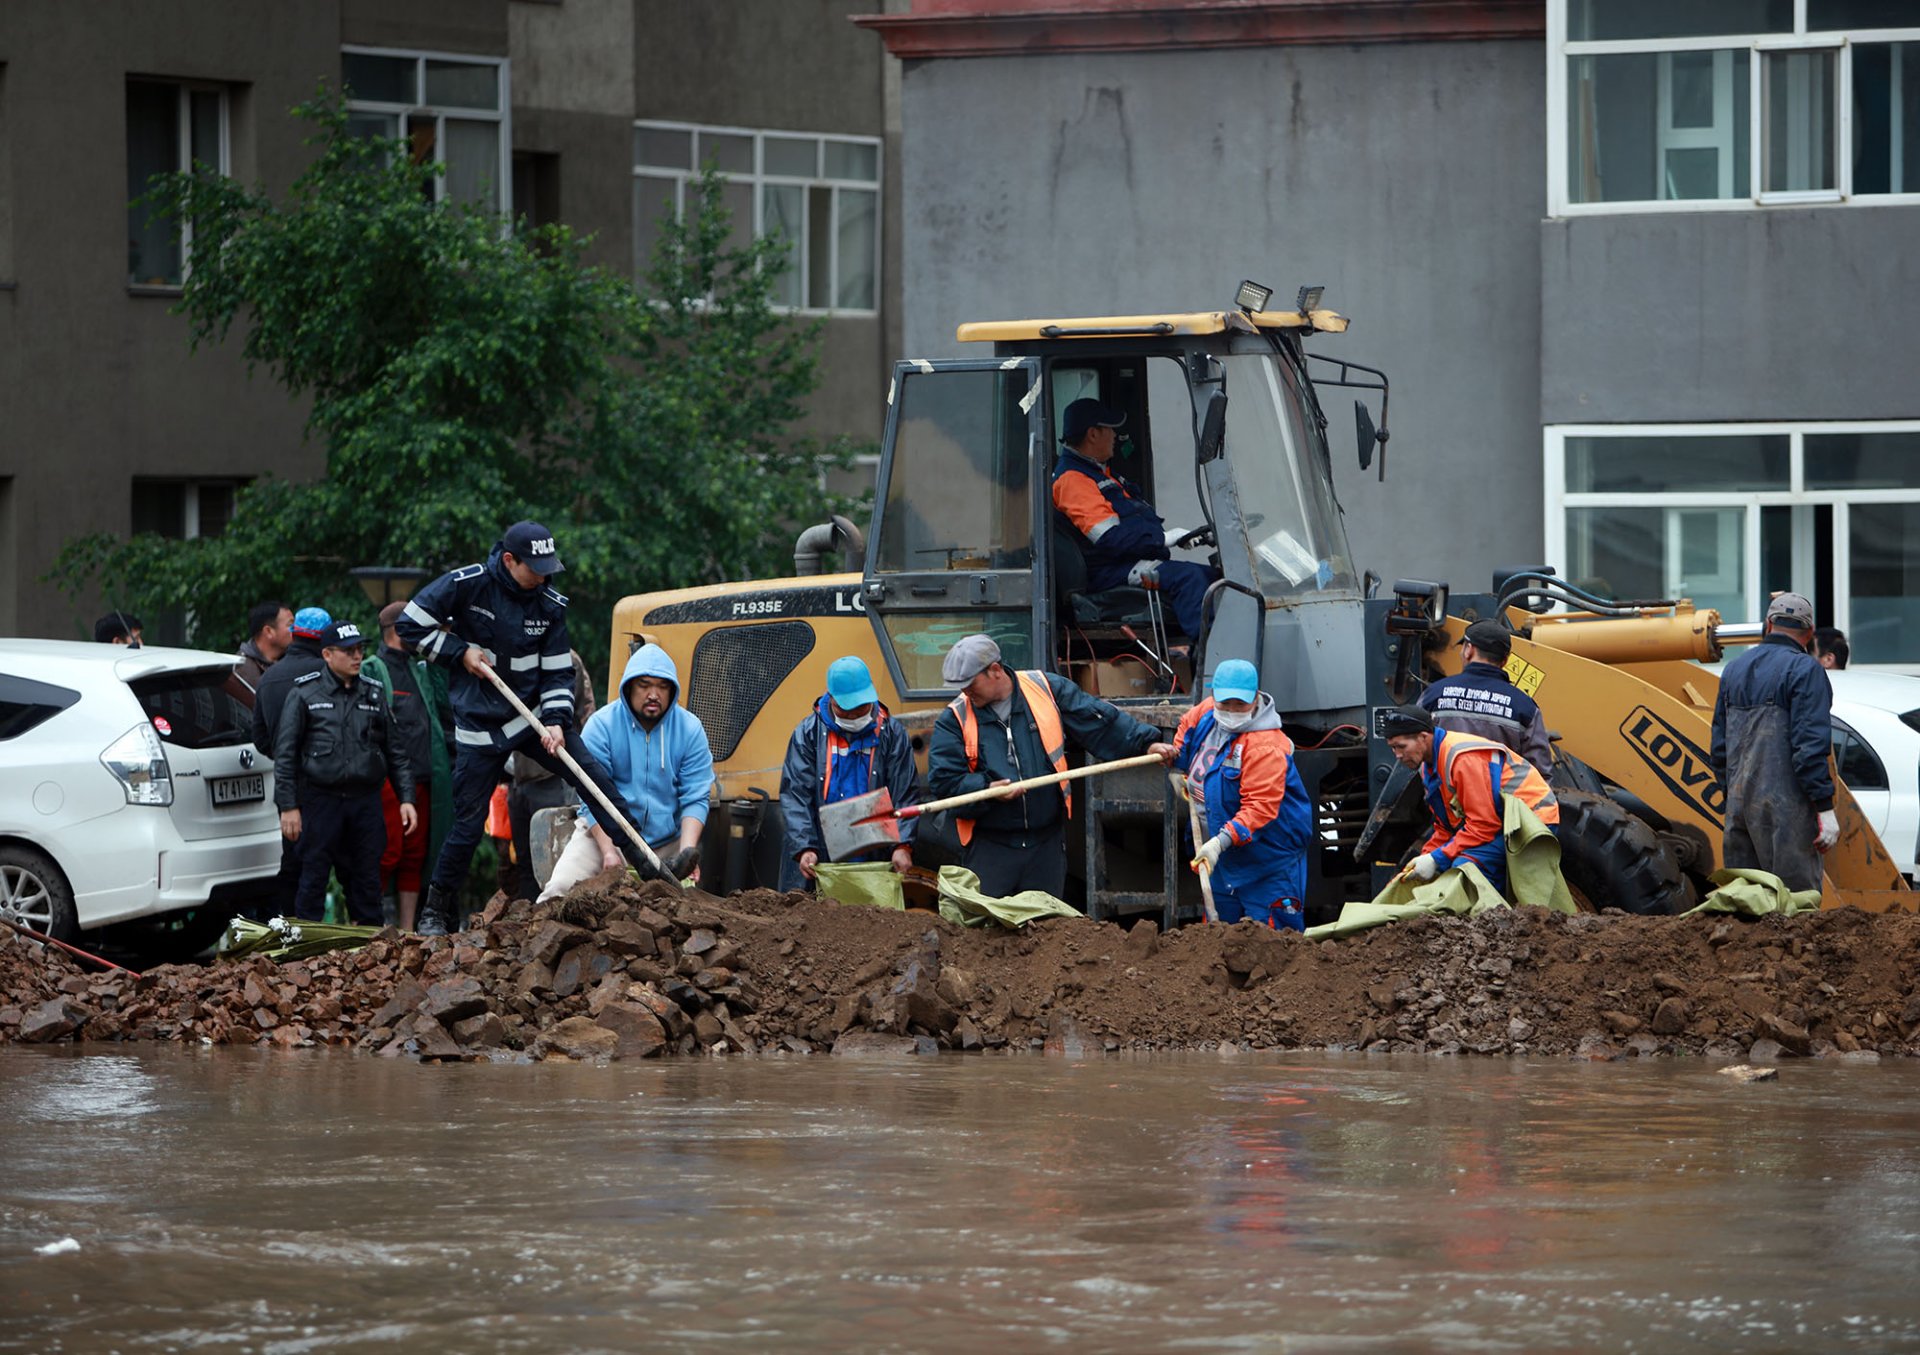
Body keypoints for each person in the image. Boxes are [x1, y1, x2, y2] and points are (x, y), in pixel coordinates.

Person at [397, 521, 664, 934]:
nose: (543, 576)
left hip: (533, 715)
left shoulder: (550, 603)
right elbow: (409, 627)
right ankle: (436, 910)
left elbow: (559, 673)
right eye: (534, 567)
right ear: (509, 560)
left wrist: (557, 722)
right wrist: (458, 651)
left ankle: (648, 865)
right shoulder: (467, 584)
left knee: (596, 779)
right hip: (480, 724)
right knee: (467, 824)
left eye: (547, 567)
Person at [927, 634, 1174, 900]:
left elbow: (1099, 721)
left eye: (969, 684)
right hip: (990, 847)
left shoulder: (1045, 690)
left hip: (1046, 847)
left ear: (995, 671)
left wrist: (1145, 744)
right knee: (984, 935)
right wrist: (986, 790)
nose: (964, 692)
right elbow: (945, 784)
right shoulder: (954, 719)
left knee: (1046, 932)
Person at [536, 643, 714, 901]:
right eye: (644, 685)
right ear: (629, 687)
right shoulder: (601, 725)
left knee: (688, 908)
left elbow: (695, 796)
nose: (653, 694)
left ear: (672, 690)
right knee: (558, 891)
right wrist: (608, 852)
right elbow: (590, 795)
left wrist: (687, 854)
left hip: (668, 841)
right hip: (606, 836)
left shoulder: (690, 729)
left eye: (662, 686)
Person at [272, 621, 417, 924]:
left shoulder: (373, 694)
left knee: (366, 881)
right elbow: (285, 755)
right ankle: (306, 958)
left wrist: (406, 798)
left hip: (365, 802)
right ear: (327, 654)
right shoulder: (305, 694)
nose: (356, 657)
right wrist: (288, 807)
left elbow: (397, 752)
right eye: (348, 651)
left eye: (360, 650)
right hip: (320, 801)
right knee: (312, 879)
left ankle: (371, 957)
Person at [1050, 397, 1219, 640]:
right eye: (1110, 429)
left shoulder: (1098, 472)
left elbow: (1131, 524)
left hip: (1124, 562)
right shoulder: (1073, 480)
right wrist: (1163, 539)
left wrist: (1180, 538)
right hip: (1108, 573)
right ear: (1093, 434)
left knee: (1215, 579)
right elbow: (1110, 538)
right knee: (1190, 580)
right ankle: (1212, 659)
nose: (1116, 436)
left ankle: (1199, 656)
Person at [1171, 659, 1311, 930]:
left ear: (1256, 698)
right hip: (1224, 863)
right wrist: (1177, 762)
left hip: (1267, 864)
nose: (1232, 711)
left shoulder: (1265, 747)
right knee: (1218, 942)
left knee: (1273, 947)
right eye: (1225, 704)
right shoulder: (1206, 715)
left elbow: (1259, 808)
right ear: (1214, 698)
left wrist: (1218, 843)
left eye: (1240, 705)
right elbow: (1185, 734)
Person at [1710, 592, 1835, 893]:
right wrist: (1824, 807)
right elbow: (1809, 746)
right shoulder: (1806, 670)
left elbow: (1719, 749)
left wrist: (1732, 796)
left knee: (1748, 906)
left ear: (1768, 624)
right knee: (1795, 908)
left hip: (1739, 809)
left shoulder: (1733, 671)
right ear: (1809, 633)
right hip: (1788, 815)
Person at [1382, 704, 1558, 897]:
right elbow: (1446, 826)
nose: (1397, 755)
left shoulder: (1462, 759)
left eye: (1401, 747)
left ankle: (1492, 921)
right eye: (1392, 748)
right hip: (1503, 822)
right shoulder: (1429, 767)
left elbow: (1483, 824)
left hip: (1532, 820)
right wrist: (1426, 857)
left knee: (1465, 870)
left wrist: (1437, 858)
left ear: (1424, 737)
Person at [777, 655, 921, 891]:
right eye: (847, 709)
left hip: (875, 851)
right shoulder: (808, 734)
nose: (854, 715)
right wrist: (805, 847)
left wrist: (902, 845)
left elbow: (904, 793)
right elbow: (796, 796)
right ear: (831, 699)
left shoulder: (892, 734)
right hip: (820, 851)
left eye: (860, 708)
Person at [251, 605, 331, 918]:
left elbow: (259, 738)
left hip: (288, 787)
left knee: (293, 863)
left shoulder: (269, 677)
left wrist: (284, 758)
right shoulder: (331, 675)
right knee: (330, 866)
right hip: (329, 787)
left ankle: (292, 933)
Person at [372, 601, 447, 930]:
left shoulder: (420, 669)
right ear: (398, 630)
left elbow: (445, 703)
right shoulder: (374, 668)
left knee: (416, 856)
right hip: (388, 781)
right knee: (387, 853)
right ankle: (372, 924)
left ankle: (406, 929)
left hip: (424, 778)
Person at [502, 650, 595, 901]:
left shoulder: (565, 658)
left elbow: (586, 712)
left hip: (553, 776)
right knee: (524, 861)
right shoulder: (508, 653)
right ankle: (532, 923)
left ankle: (558, 921)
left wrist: (584, 771)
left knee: (555, 857)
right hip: (517, 777)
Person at [1418, 619, 1552, 777]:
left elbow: (1412, 750)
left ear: (1469, 650)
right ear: (1505, 660)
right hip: (1501, 800)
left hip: (1443, 798)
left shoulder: (1433, 695)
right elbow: (1540, 773)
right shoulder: (1524, 706)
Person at [233, 600, 292, 698]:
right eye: (290, 625)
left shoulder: (291, 658)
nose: (296, 630)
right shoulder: (241, 668)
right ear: (269, 631)